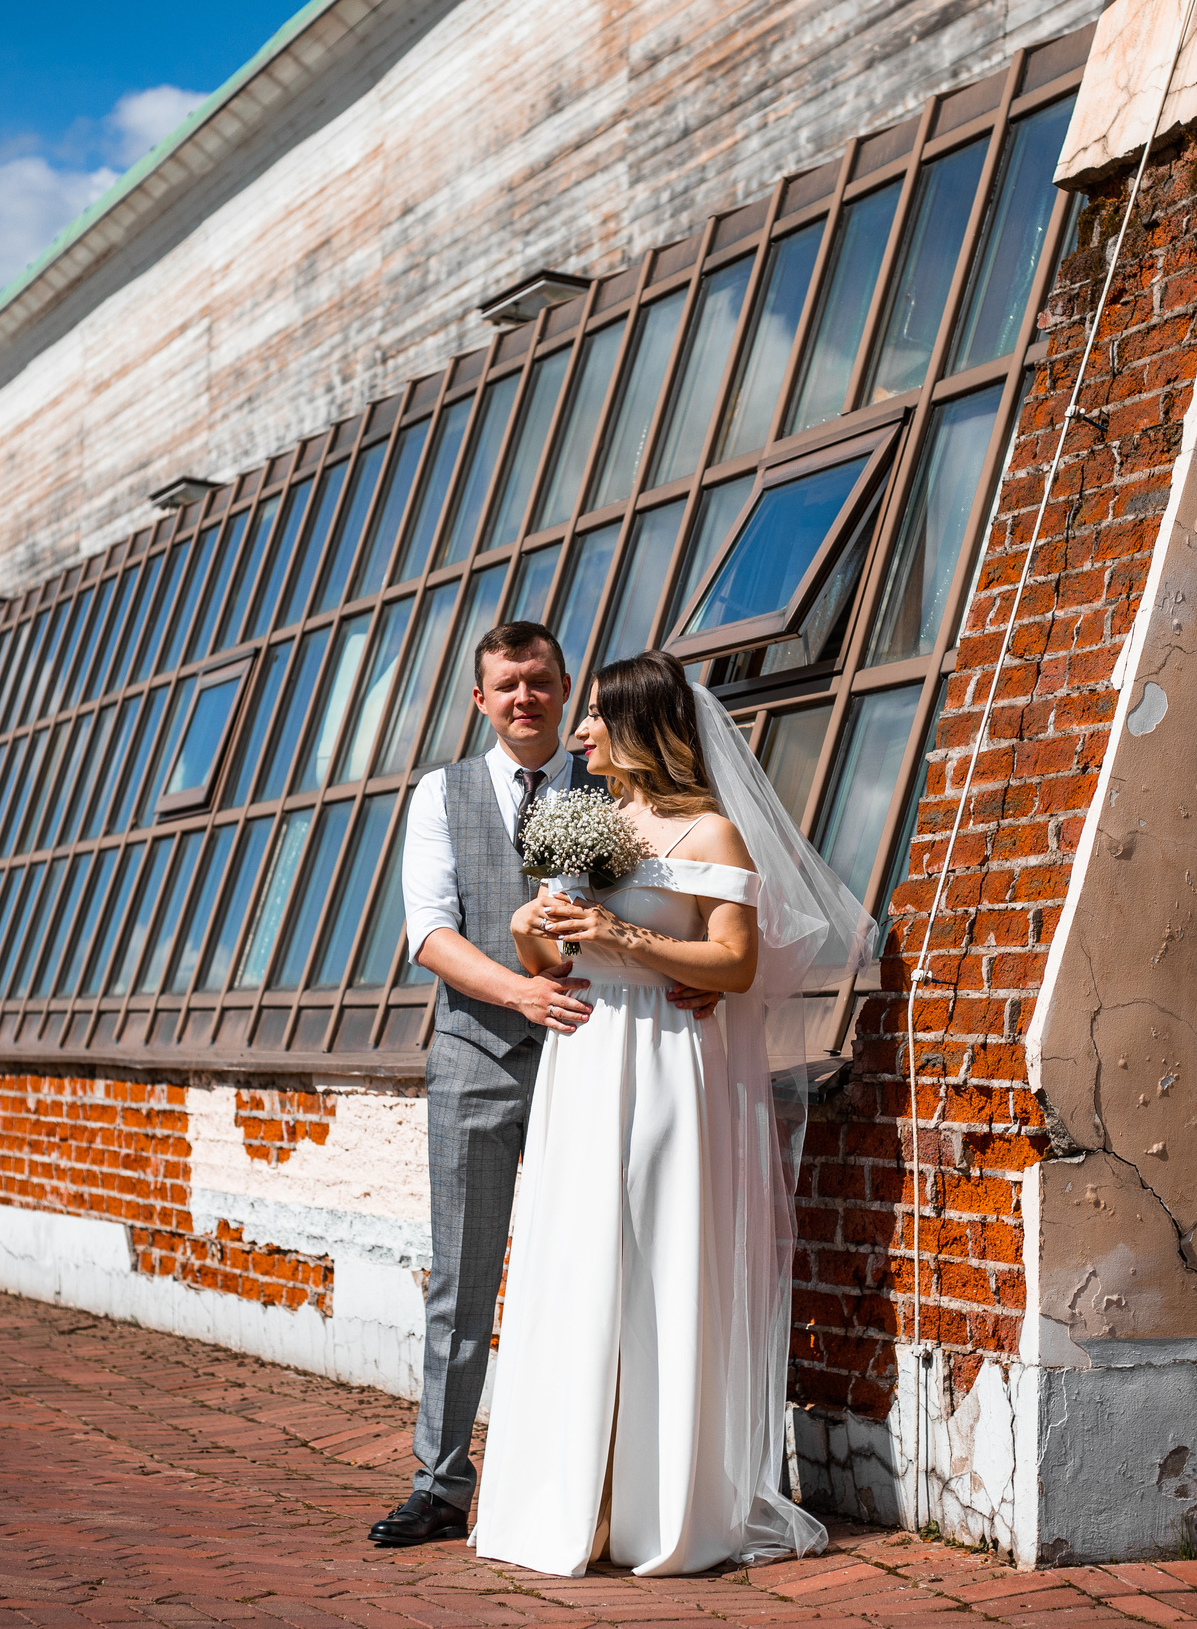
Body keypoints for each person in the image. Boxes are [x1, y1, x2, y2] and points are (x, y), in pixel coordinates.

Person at [470, 650, 872, 1578]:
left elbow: (732, 964)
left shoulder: (710, 834)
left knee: (658, 1256)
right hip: (585, 1055)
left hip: (665, 1063)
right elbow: (543, 947)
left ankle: (662, 1506)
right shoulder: (588, 822)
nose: (577, 733)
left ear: (642, 723)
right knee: (577, 1259)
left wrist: (631, 940)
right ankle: (571, 1494)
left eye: (596, 718)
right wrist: (540, 930)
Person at [370, 623, 715, 1549]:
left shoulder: (616, 788)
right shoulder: (438, 796)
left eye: (540, 682)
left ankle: (593, 1483)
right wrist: (523, 989)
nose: (524, 698)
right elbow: (430, 935)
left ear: (566, 692)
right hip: (478, 1060)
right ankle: (441, 1484)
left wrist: (690, 975)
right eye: (505, 685)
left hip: (602, 1061)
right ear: (479, 700)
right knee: (464, 1275)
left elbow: (671, 901)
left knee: (603, 1270)